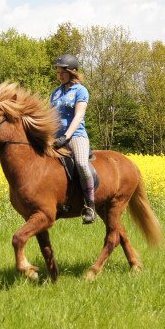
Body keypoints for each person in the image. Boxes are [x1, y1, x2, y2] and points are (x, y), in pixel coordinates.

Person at [50, 54, 97, 224]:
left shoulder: (80, 91)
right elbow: (50, 117)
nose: (60, 75)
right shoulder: (55, 93)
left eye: (63, 72)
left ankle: (90, 206)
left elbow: (78, 116)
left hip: (76, 136)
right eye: (58, 72)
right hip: (55, 137)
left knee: (82, 164)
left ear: (72, 72)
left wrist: (66, 136)